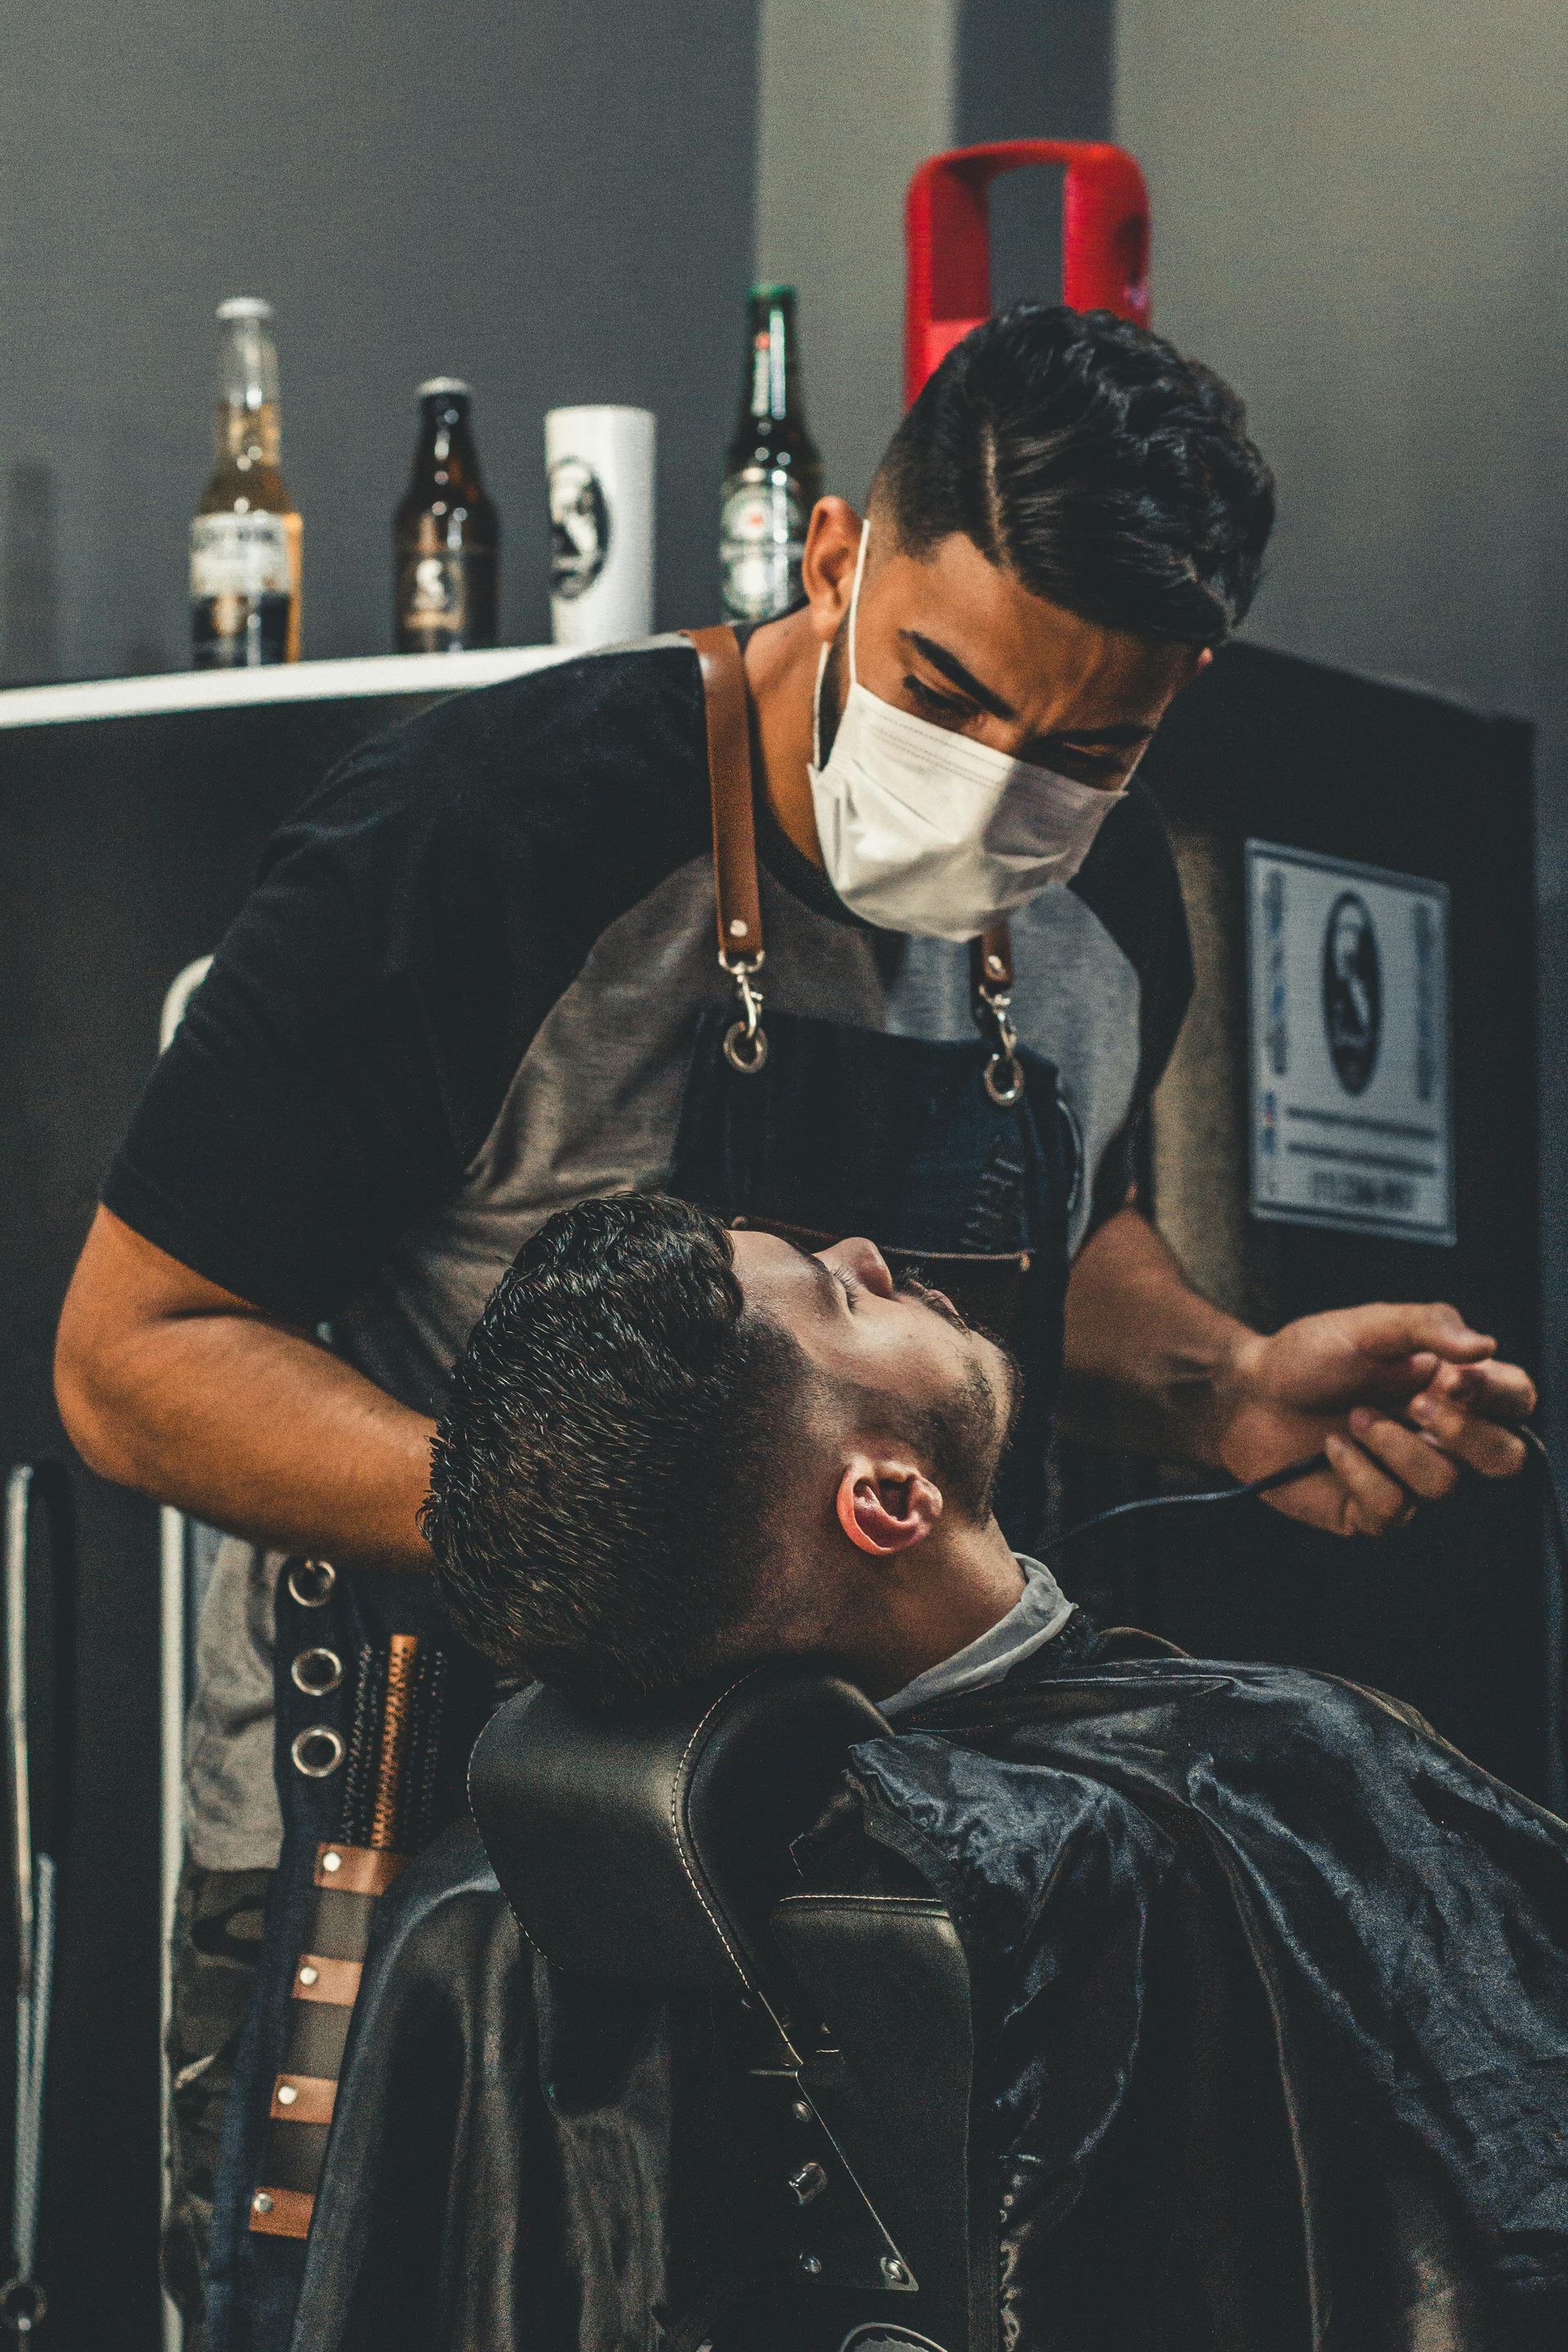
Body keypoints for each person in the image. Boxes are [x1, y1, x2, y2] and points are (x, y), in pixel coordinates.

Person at [52, 305, 1531, 2348]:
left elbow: (1055, 1237)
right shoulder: (493, 834)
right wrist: (636, 1535)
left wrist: (1224, 1384)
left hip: (890, 1852)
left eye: (1087, 750)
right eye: (946, 692)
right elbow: (135, 1353)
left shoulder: (1108, 913)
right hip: (443, 1847)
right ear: (834, 558)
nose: (999, 787)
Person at [292, 1192, 1568, 2351]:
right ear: (890, 1501)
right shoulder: (1286, 1780)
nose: (866, 1250)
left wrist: (1228, 1380)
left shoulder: (477, 1908)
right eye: (844, 1296)